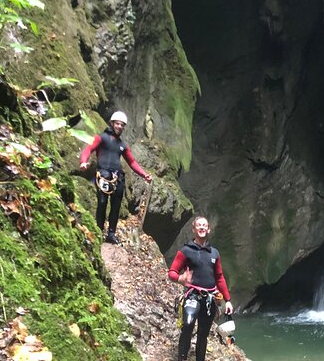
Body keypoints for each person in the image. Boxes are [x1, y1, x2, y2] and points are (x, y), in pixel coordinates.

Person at [79, 111, 152, 245]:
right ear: (112, 123)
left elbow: (132, 162)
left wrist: (144, 174)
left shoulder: (123, 145)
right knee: (102, 203)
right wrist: (83, 161)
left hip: (117, 177)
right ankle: (99, 231)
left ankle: (111, 234)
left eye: (122, 125)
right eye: (117, 124)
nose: (119, 127)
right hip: (103, 174)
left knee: (116, 206)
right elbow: (88, 149)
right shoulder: (101, 138)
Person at [168, 216, 233, 361]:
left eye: (204, 225)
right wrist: (180, 279)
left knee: (203, 333)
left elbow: (220, 277)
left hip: (209, 299)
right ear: (194, 229)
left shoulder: (214, 253)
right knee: (188, 325)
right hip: (192, 296)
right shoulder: (186, 251)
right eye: (199, 225)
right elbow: (172, 272)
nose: (202, 228)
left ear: (208, 229)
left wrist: (227, 300)